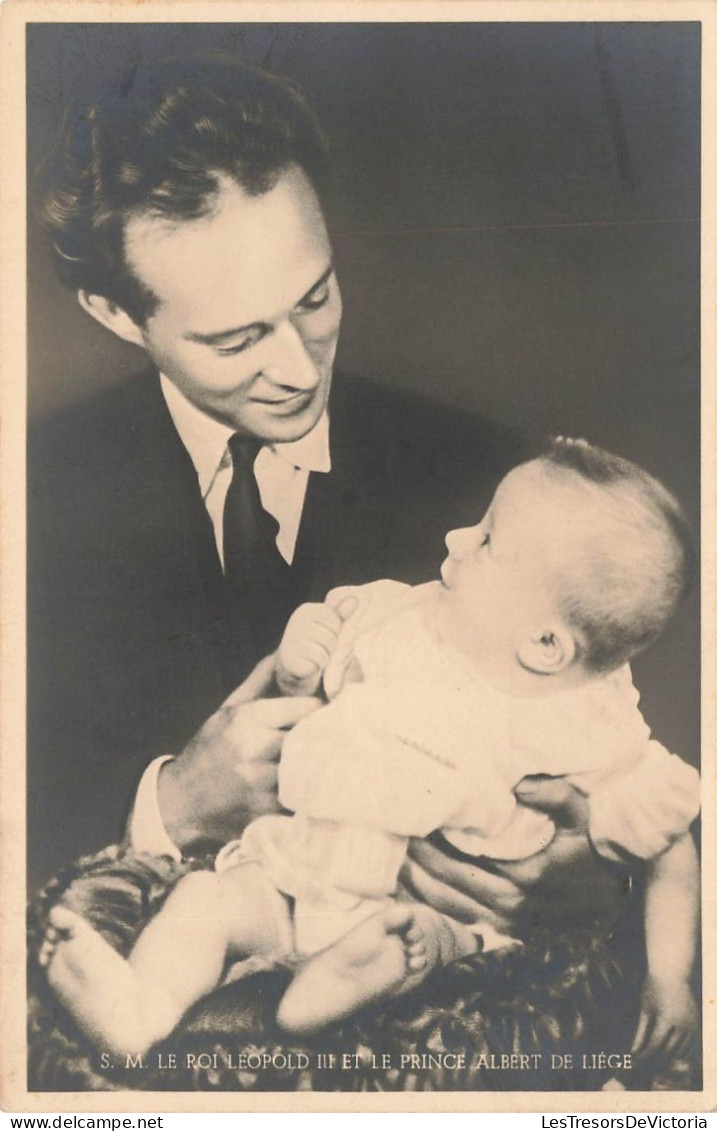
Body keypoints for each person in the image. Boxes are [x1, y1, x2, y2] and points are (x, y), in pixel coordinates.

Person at [28, 51, 622, 938]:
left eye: (316, 297)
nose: (300, 369)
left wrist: (582, 872)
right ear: (115, 315)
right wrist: (170, 804)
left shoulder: (495, 481)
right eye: (235, 340)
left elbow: (599, 768)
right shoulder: (28, 497)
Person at [39, 439, 699, 1062]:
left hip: (420, 913)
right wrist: (303, 657)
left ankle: (333, 988)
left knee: (422, 943)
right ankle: (137, 1012)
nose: (455, 538)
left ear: (546, 646)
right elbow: (312, 680)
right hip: (295, 875)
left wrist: (668, 976)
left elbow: (671, 849)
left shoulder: (590, 729)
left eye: (487, 541)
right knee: (205, 901)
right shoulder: (404, 617)